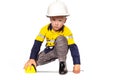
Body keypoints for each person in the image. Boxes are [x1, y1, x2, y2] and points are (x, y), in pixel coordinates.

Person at [24, 1, 81, 74]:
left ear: (65, 20)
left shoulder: (67, 31)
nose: (56, 23)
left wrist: (77, 63)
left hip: (62, 50)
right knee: (34, 61)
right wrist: (31, 59)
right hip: (50, 51)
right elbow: (37, 44)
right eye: (54, 20)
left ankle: (62, 64)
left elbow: (73, 47)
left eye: (60, 20)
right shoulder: (44, 29)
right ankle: (32, 65)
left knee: (61, 38)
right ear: (50, 19)